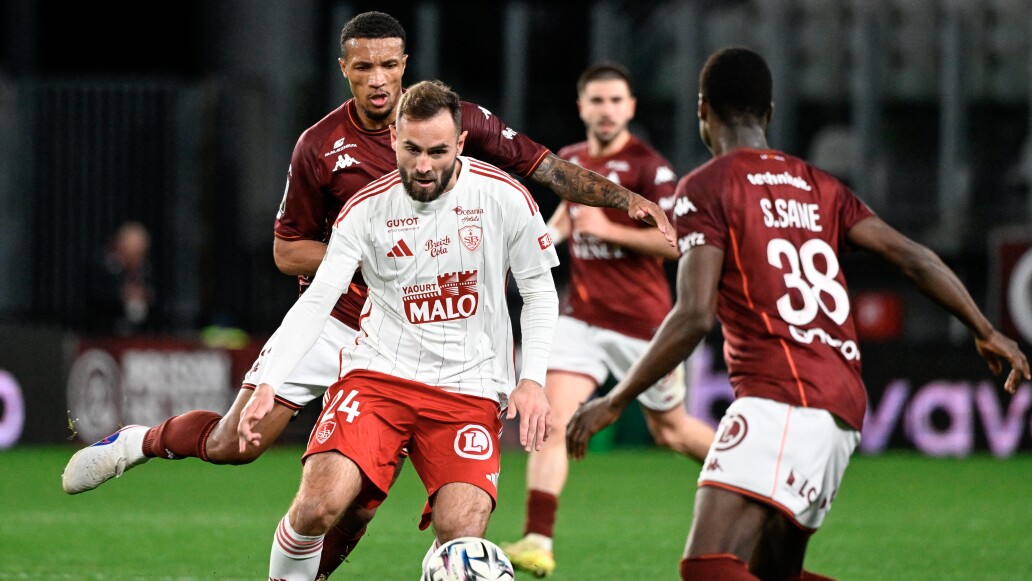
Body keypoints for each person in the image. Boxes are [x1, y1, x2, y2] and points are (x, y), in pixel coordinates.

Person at [60, 10, 673, 578]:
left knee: (354, 510)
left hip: (444, 353)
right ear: (345, 69)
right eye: (364, 66)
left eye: (389, 65)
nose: (378, 79)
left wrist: (624, 199)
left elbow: (544, 168)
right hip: (342, 322)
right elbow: (286, 251)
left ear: (408, 69)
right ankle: (141, 441)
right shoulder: (321, 150)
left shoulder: (460, 123)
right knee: (235, 442)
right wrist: (381, 264)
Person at [566, 47, 1030, 581]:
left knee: (707, 569)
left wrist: (617, 398)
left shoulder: (705, 186)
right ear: (768, 113)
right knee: (773, 573)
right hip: (842, 408)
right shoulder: (820, 185)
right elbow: (915, 258)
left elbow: (694, 315)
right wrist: (986, 329)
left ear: (702, 110)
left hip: (780, 396)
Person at [237, 79, 558, 580]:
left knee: (462, 529)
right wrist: (271, 379)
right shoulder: (365, 208)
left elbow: (539, 292)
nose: (423, 165)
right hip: (379, 378)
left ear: (460, 145)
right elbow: (318, 299)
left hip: (468, 388)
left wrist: (533, 378)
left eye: (436, 151)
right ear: (393, 141)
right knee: (318, 506)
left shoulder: (505, 197)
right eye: (411, 149)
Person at [500, 62, 714, 578]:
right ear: (582, 107)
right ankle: (537, 539)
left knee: (672, 432)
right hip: (582, 318)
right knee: (552, 423)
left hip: (644, 326)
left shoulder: (650, 168)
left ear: (631, 108)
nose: (606, 109)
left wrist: (608, 228)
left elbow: (675, 242)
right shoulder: (570, 161)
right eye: (596, 100)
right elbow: (560, 226)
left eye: (615, 100)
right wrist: (533, 248)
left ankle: (756, 472)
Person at [86, 221, 155, 335]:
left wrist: (146, 294)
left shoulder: (145, 269)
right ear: (121, 246)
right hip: (104, 332)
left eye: (141, 252)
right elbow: (94, 295)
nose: (138, 257)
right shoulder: (103, 265)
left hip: (140, 332)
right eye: (134, 252)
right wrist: (122, 294)